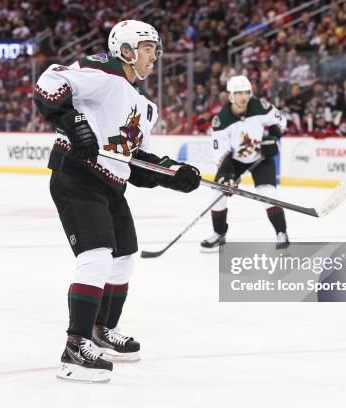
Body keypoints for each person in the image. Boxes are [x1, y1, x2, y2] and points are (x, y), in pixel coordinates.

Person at [33, 20, 201, 383]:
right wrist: (72, 121)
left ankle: (101, 329)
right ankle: (75, 347)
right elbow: (49, 83)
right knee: (96, 257)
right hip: (76, 174)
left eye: (155, 48)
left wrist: (175, 175)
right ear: (125, 50)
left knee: (124, 258)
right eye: (147, 48)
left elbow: (137, 164)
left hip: (112, 186)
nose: (154, 55)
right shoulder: (104, 71)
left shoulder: (146, 106)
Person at [201, 75, 289, 251]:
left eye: (246, 92)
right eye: (238, 93)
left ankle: (282, 233)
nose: (243, 97)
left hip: (260, 157)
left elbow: (281, 122)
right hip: (234, 161)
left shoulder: (260, 107)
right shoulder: (221, 120)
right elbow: (221, 153)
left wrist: (272, 138)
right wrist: (227, 176)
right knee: (217, 195)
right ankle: (219, 234)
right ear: (231, 95)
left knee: (267, 193)